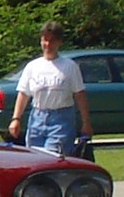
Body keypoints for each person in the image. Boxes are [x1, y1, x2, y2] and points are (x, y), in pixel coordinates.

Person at [9, 24, 93, 158]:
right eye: (45, 40)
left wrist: (86, 123)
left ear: (59, 42)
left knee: (53, 159)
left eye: (52, 40)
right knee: (34, 159)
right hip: (37, 118)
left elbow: (80, 95)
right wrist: (16, 119)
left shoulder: (69, 66)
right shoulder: (33, 66)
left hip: (61, 119)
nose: (48, 44)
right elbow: (23, 94)